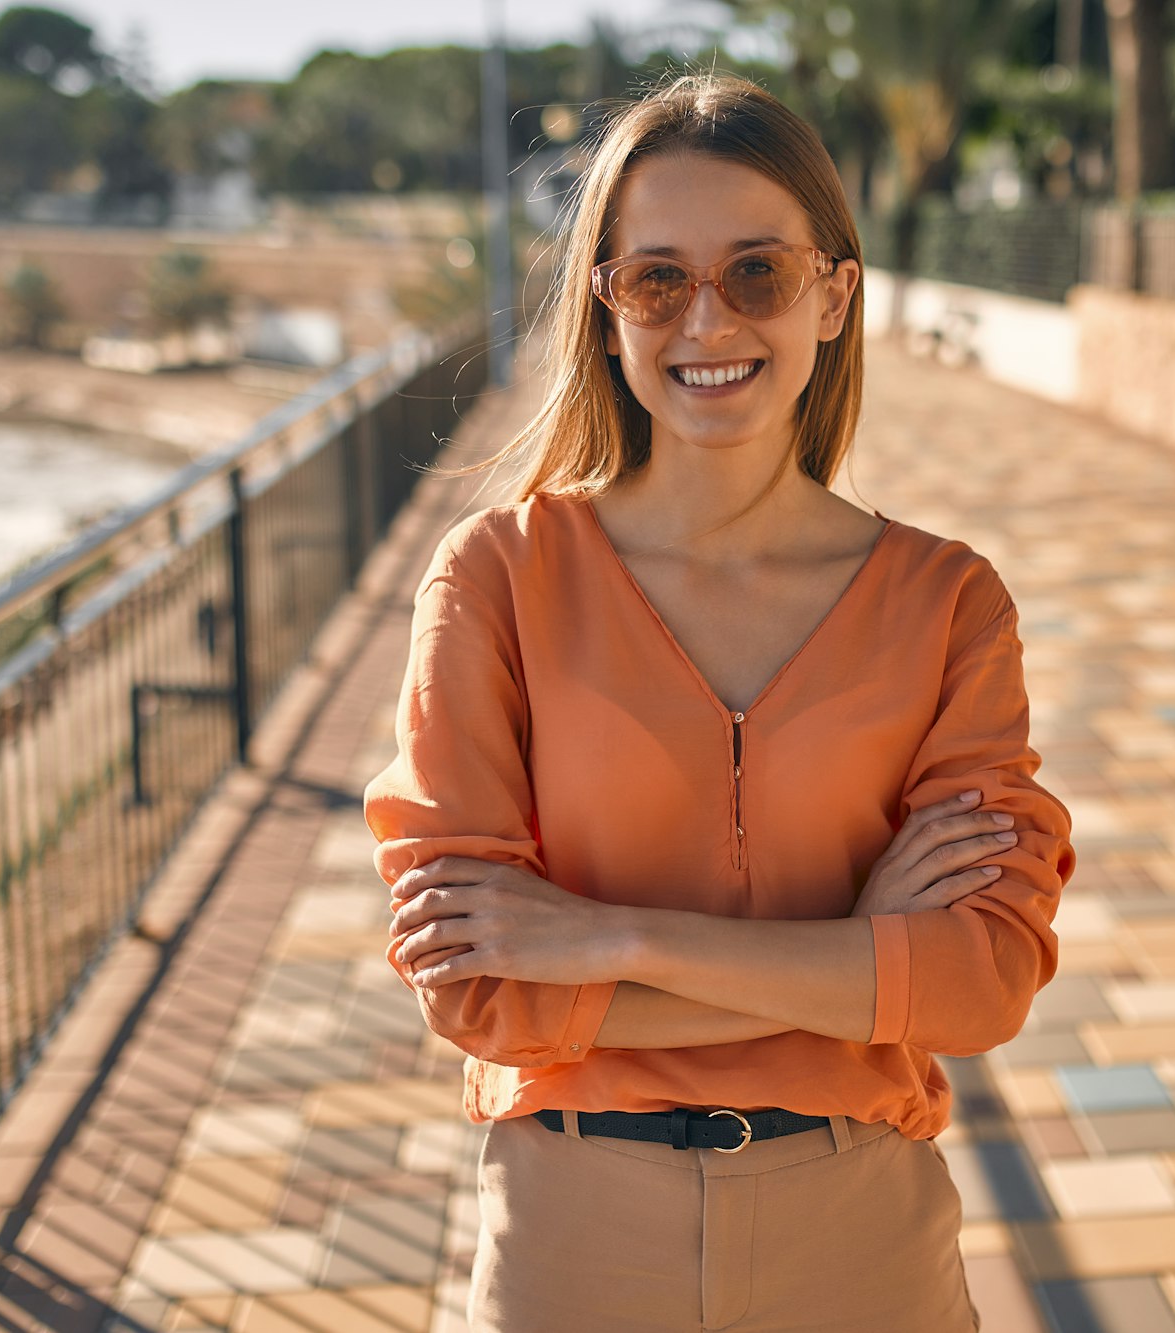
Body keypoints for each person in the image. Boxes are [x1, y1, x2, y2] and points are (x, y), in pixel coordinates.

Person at [365, 71, 1075, 1333]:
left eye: (756, 272)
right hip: (572, 1239)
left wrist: (610, 942)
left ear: (831, 295)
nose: (708, 320)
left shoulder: (947, 603)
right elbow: (478, 993)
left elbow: (982, 983)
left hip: (858, 1240)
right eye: (657, 279)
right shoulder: (496, 580)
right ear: (605, 307)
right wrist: (863, 951)